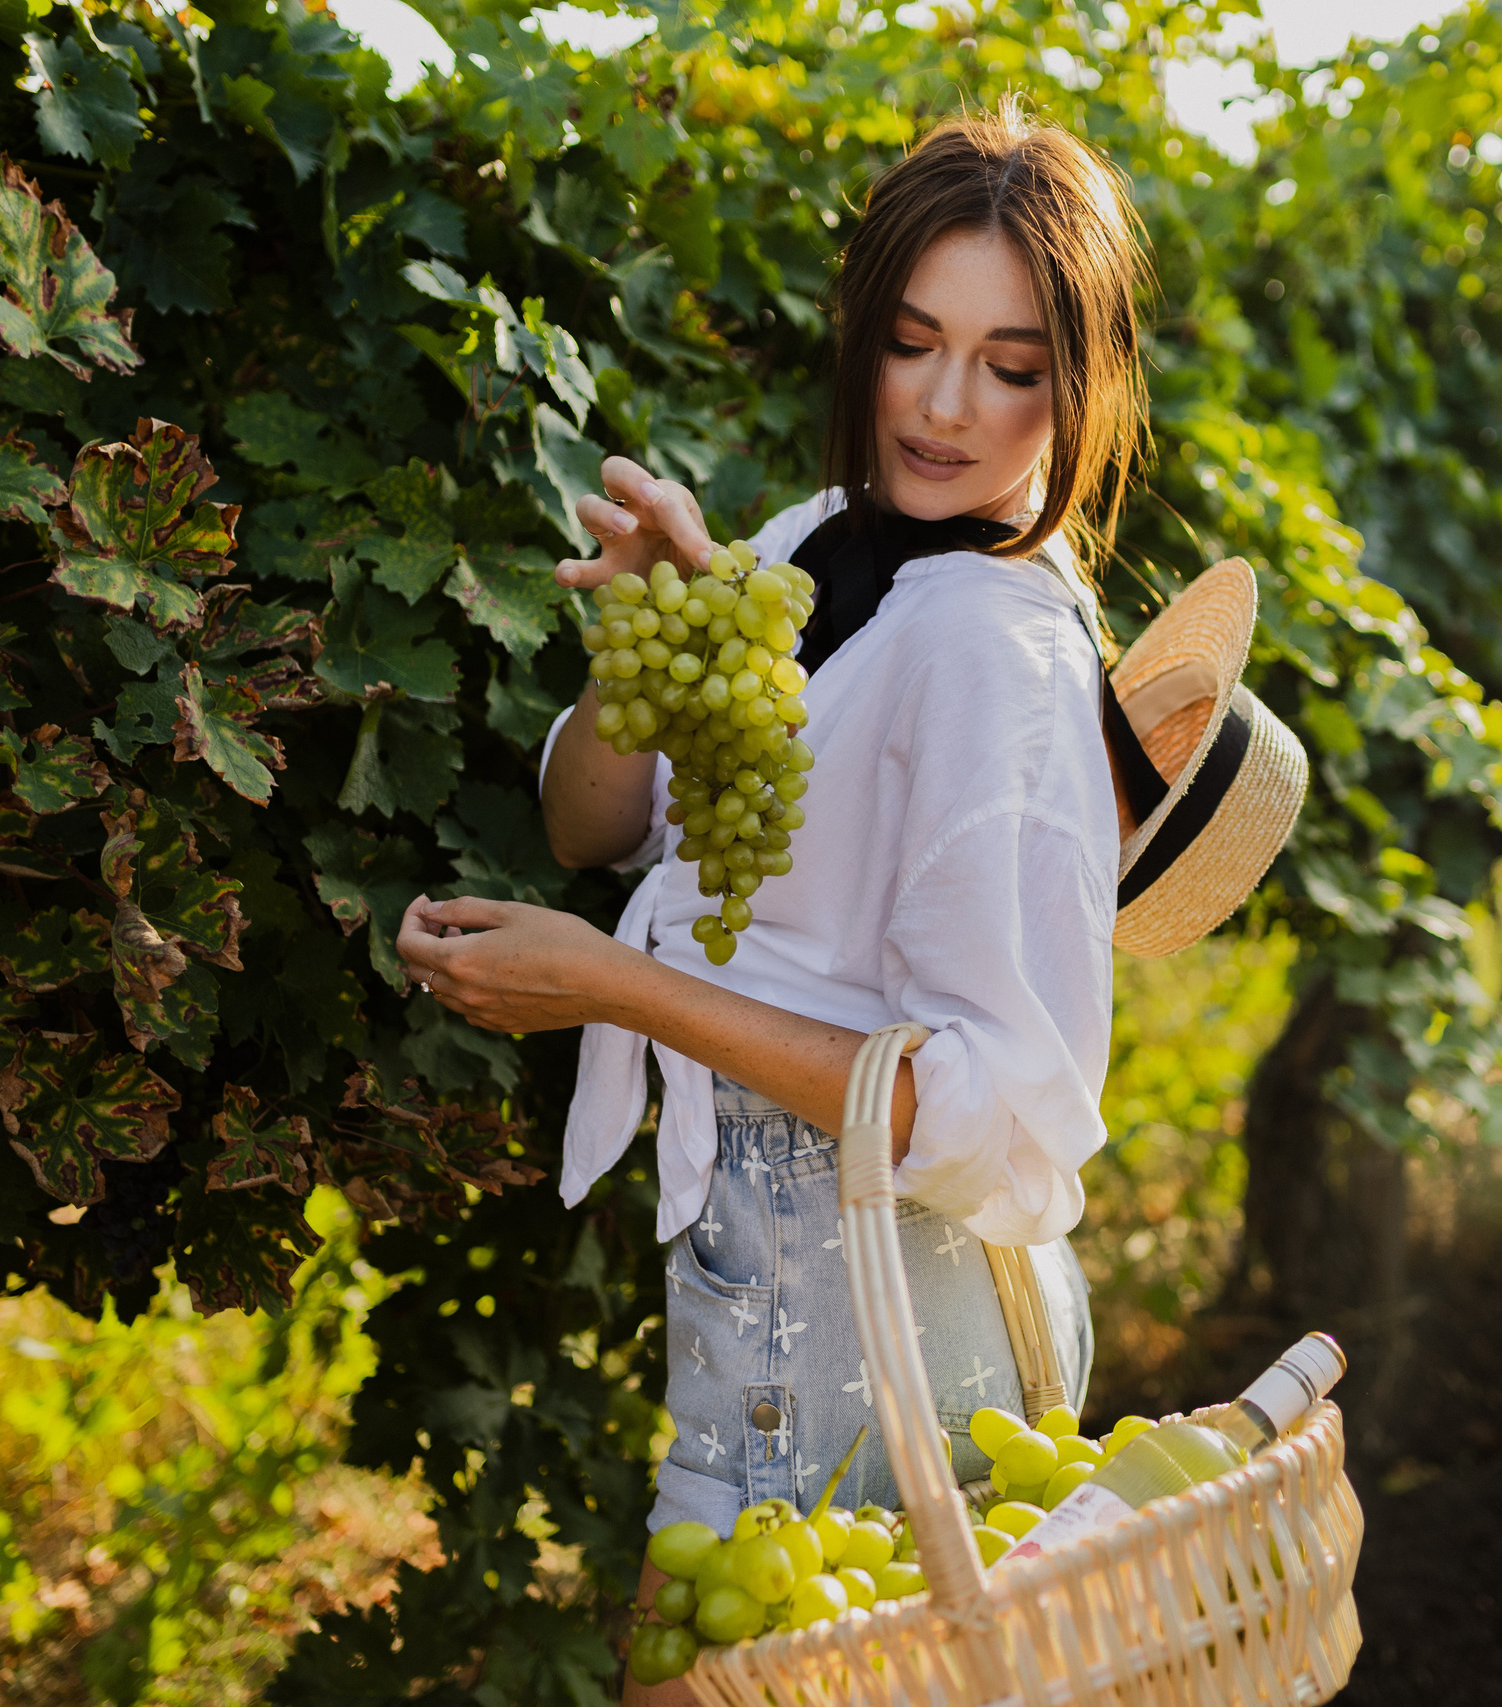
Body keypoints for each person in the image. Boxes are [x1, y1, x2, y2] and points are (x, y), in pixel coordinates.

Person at [395, 101, 1143, 1696]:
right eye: (912, 342)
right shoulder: (826, 543)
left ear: (1082, 389)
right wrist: (663, 633)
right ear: (860, 336)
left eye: (1012, 368)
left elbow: (996, 1112)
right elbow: (595, 824)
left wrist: (620, 990)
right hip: (785, 1298)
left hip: (883, 1320)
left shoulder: (996, 659)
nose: (945, 408)